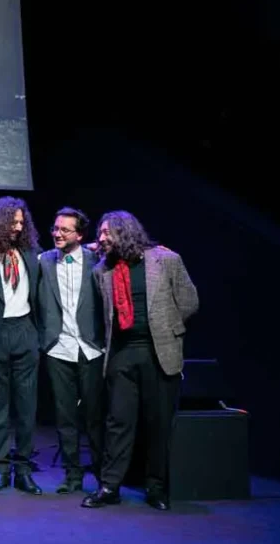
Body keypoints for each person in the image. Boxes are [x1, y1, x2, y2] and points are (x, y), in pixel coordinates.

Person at [83, 211, 199, 511]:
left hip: (158, 352)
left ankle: (156, 487)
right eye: (101, 232)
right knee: (118, 423)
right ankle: (110, 486)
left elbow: (189, 301)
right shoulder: (102, 271)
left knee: (158, 424)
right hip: (121, 354)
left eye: (107, 232)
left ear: (126, 232)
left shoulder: (165, 260)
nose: (102, 237)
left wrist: (170, 329)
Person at [0, 196, 44, 495]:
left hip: (25, 332)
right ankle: (2, 469)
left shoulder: (31, 252)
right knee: (0, 411)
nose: (17, 227)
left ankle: (24, 469)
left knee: (27, 409)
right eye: (12, 221)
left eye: (20, 222)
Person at [36, 207, 106, 493]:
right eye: (55, 228)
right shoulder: (44, 261)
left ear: (79, 234)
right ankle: (73, 475)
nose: (57, 233)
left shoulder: (96, 260)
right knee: (65, 417)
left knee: (95, 417)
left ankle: (104, 476)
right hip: (58, 348)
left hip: (91, 347)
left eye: (65, 230)